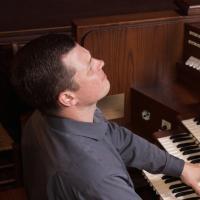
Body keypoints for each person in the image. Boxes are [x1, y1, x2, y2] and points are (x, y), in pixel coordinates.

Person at [11, 34, 200, 200]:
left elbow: (119, 138)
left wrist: (182, 168)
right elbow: (97, 179)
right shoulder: (97, 178)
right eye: (90, 66)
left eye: (91, 57)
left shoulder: (49, 113)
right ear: (68, 97)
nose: (101, 62)